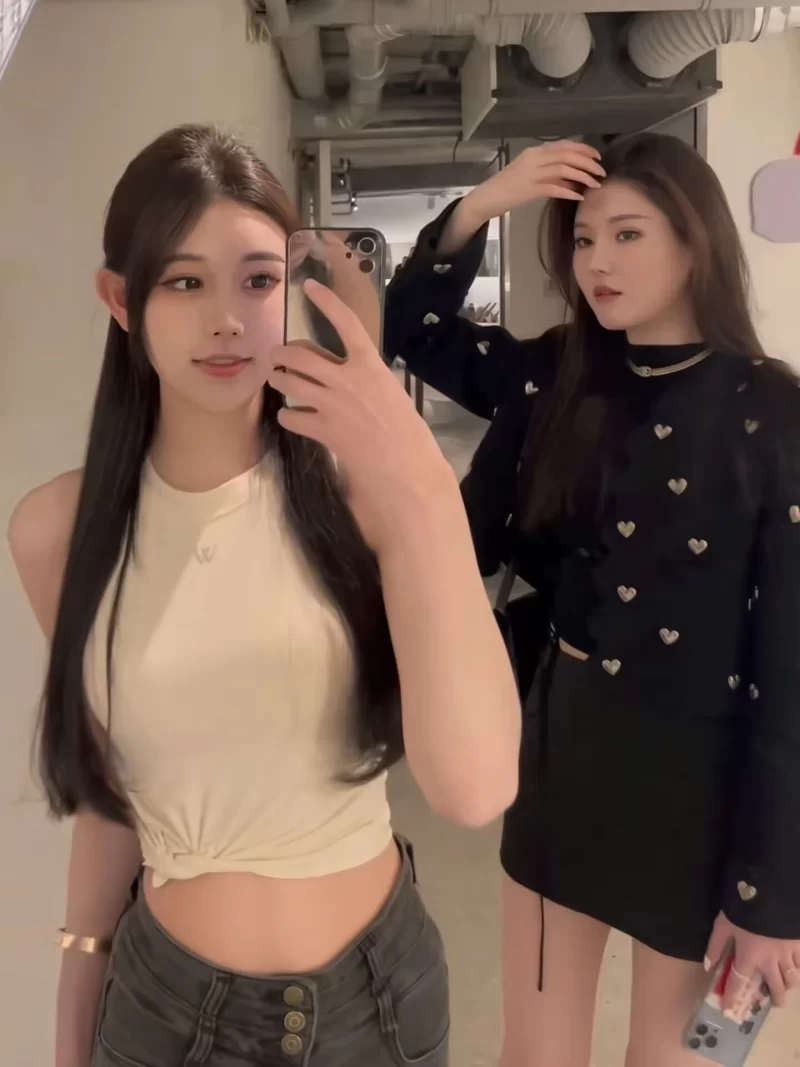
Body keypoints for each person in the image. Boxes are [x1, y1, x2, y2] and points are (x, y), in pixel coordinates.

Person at [7, 124, 522, 1067]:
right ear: (121, 300)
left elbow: (475, 786)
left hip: (378, 1005)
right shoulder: (58, 531)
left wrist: (417, 481)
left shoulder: (367, 495)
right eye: (184, 282)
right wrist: (73, 1014)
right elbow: (119, 793)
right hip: (168, 1012)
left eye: (256, 280)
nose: (227, 320)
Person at [384, 133, 800, 1067]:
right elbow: (408, 331)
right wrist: (483, 204)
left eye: (627, 234)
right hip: (564, 755)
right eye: (581, 238)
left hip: (702, 790)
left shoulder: (771, 414)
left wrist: (773, 893)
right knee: (535, 1055)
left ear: (695, 240)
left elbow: (790, 670)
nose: (598, 261)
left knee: (672, 1058)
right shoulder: (559, 372)